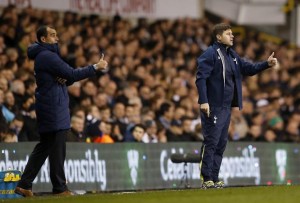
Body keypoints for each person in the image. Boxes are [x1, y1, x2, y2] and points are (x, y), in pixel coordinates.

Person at [15, 25, 108, 197]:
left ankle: (24, 184)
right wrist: (95, 67)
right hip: (53, 107)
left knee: (45, 146)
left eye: (57, 35)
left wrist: (65, 78)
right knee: (57, 147)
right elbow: (71, 74)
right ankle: (59, 188)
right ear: (43, 39)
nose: (56, 38)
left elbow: (66, 78)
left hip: (49, 105)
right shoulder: (47, 56)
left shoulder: (45, 56)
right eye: (52, 35)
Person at [195, 23, 277, 189]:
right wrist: (204, 100)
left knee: (221, 143)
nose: (232, 36)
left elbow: (248, 68)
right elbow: (201, 78)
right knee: (211, 141)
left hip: (226, 107)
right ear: (218, 37)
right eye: (228, 33)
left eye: (232, 33)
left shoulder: (232, 55)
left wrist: (266, 64)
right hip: (213, 105)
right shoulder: (210, 54)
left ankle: (215, 178)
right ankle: (206, 178)